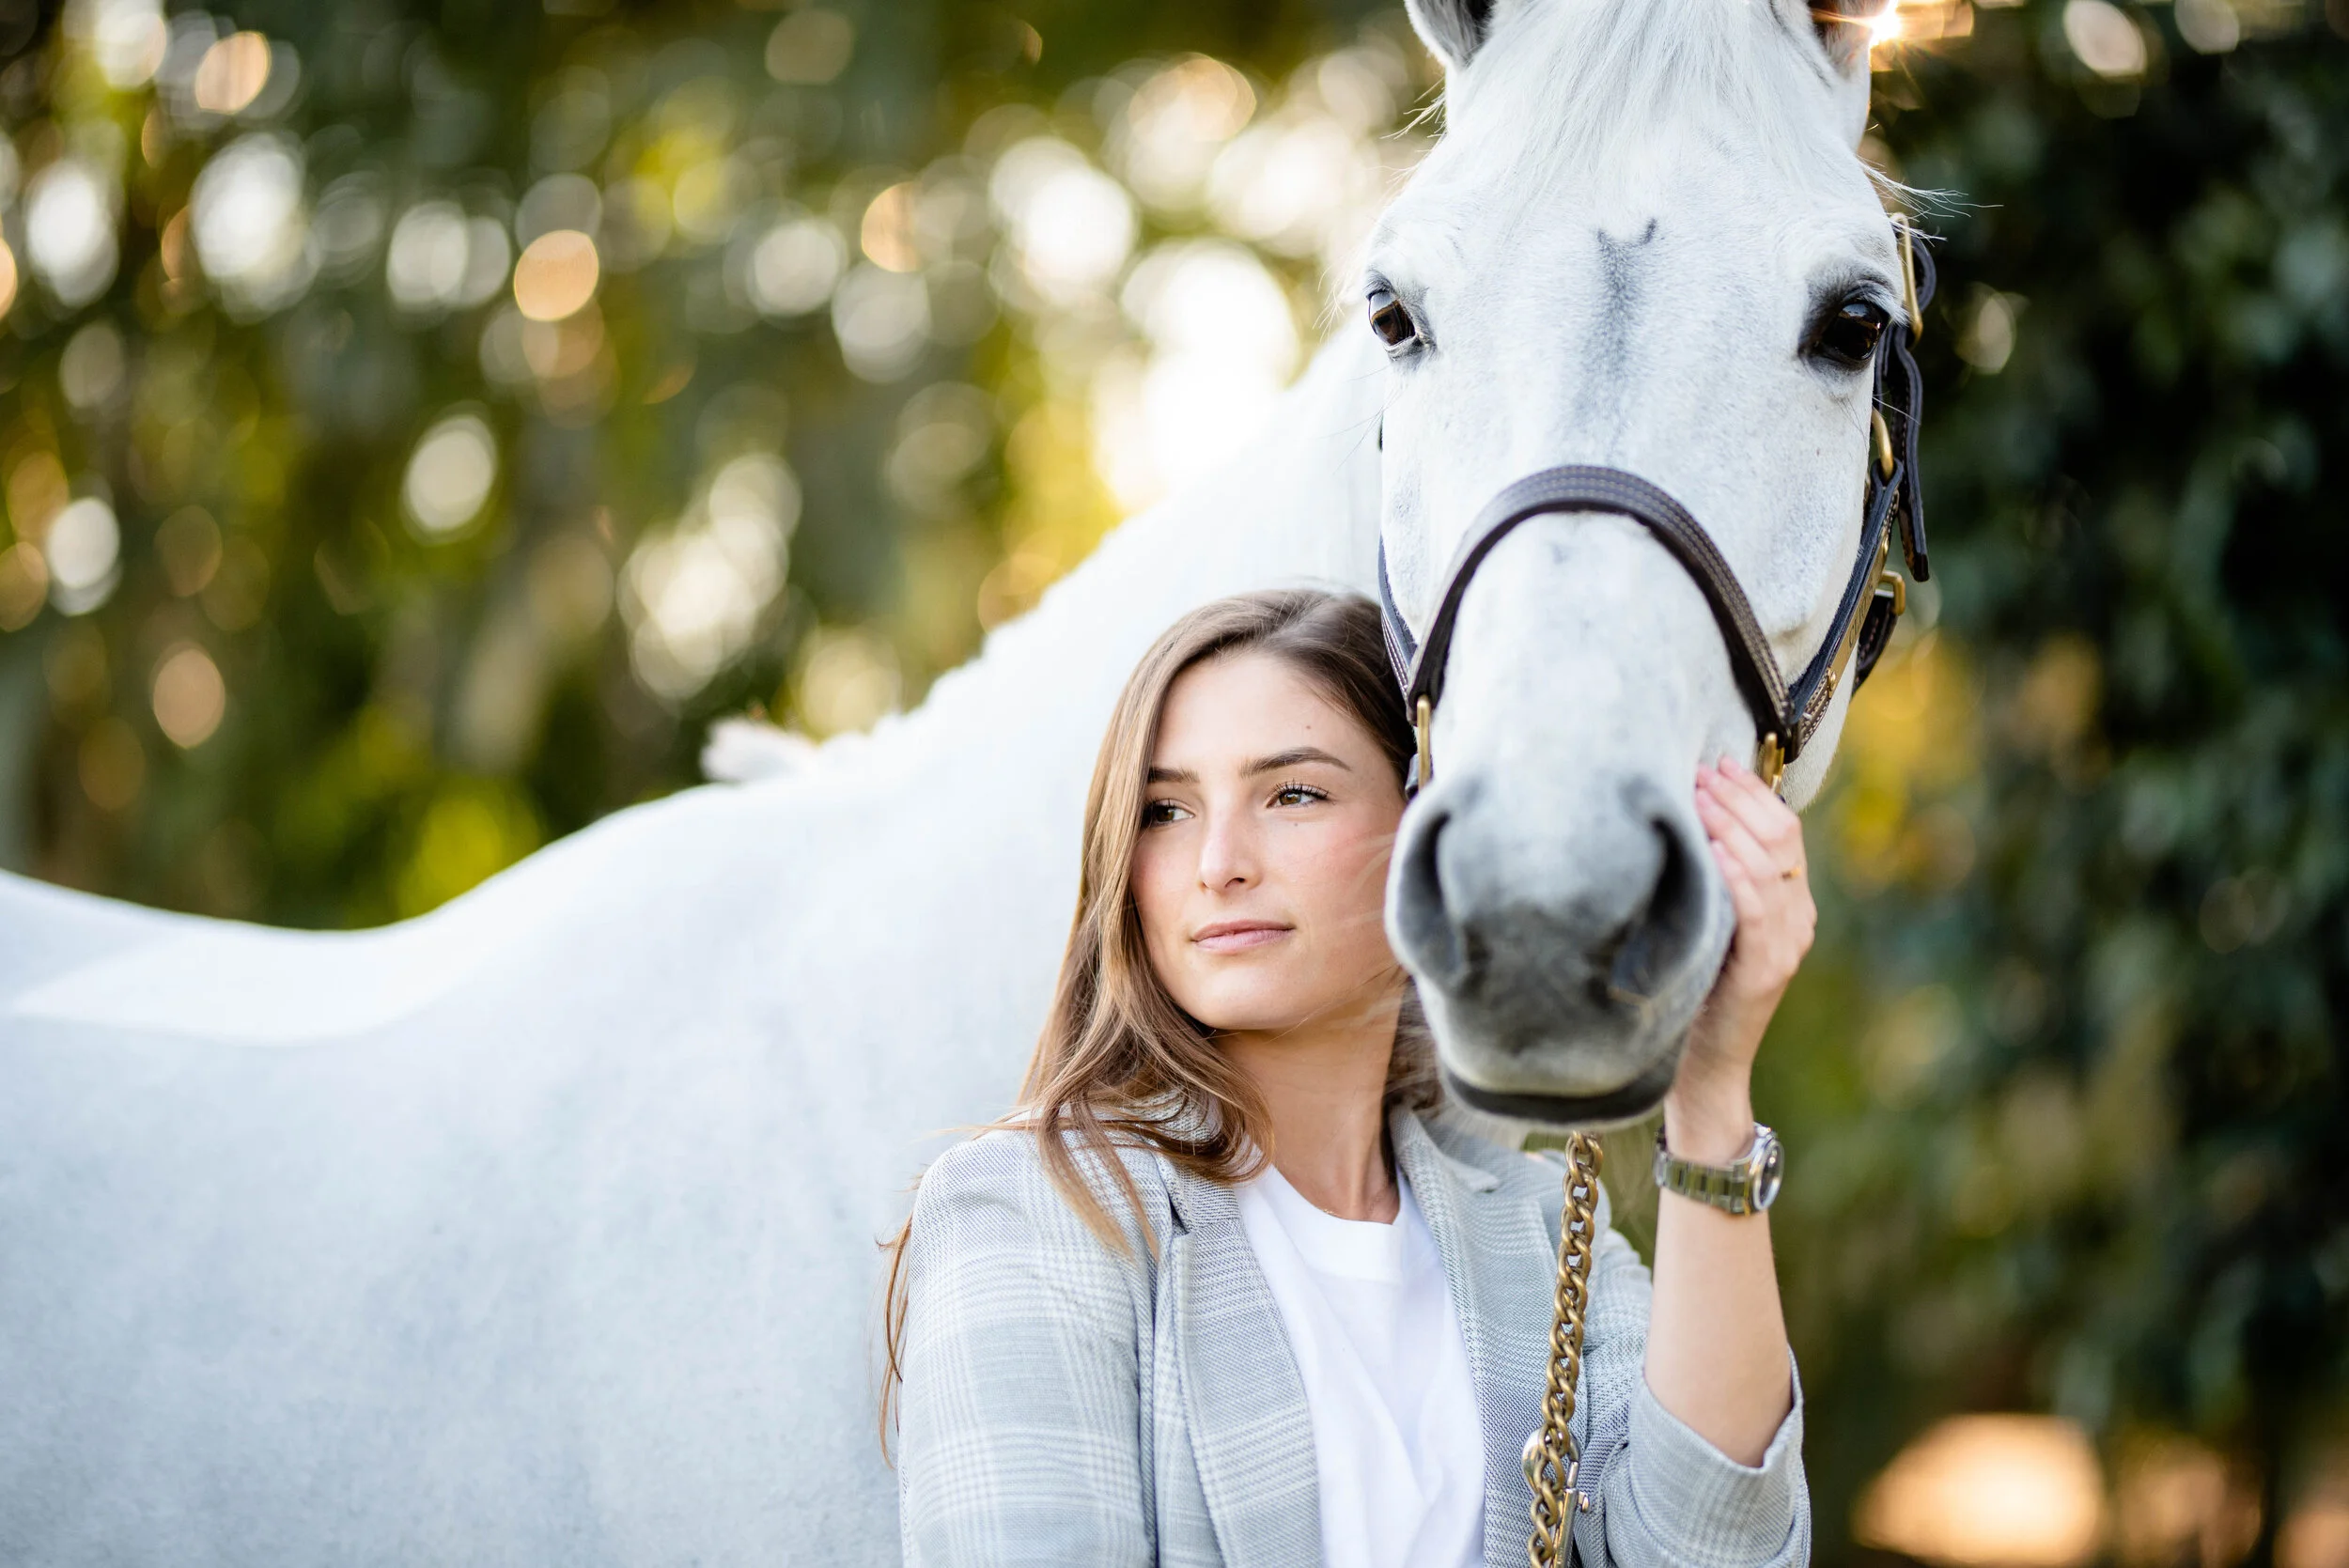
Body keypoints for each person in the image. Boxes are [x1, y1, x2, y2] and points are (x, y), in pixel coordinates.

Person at [884, 588, 1815, 1568]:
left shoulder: (1539, 1226)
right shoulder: (1034, 1213)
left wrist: (1709, 1089)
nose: (1216, 863)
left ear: (1429, 837)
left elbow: (1709, 1550)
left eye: (1292, 794)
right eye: (1165, 809)